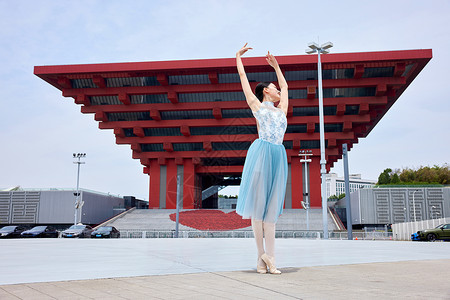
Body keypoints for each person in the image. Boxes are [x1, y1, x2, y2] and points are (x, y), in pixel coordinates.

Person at [235, 43, 288, 274]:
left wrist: (276, 66)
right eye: (274, 88)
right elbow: (243, 79)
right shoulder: (258, 107)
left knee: (271, 212)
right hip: (261, 155)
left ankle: (271, 257)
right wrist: (238, 57)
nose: (278, 90)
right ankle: (261, 258)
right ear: (266, 91)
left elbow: (285, 86)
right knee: (258, 209)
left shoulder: (282, 110)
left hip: (278, 156)